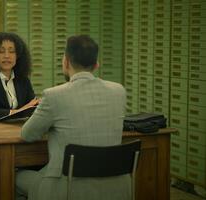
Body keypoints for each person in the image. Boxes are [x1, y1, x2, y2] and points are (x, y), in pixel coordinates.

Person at [15, 35, 128, 200]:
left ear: (66, 62)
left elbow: (27, 134)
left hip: (67, 188)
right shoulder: (119, 91)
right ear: (96, 65)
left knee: (14, 177)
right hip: (116, 187)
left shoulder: (54, 95)